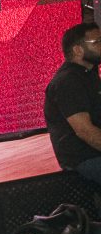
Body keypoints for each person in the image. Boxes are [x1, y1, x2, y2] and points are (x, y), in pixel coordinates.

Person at [44, 22, 101, 184]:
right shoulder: (68, 81)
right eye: (97, 42)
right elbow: (85, 131)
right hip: (84, 157)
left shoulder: (88, 74)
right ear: (77, 50)